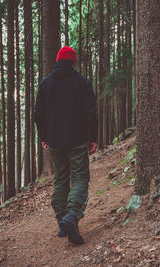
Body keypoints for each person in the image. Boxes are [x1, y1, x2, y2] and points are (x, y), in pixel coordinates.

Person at [34, 46, 98, 245]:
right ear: (73, 62)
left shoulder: (46, 84)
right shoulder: (82, 83)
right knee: (79, 177)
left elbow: (38, 114)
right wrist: (92, 137)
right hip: (77, 140)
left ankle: (62, 222)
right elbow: (91, 113)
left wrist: (44, 137)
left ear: (57, 60)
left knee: (61, 179)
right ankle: (71, 216)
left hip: (54, 142)